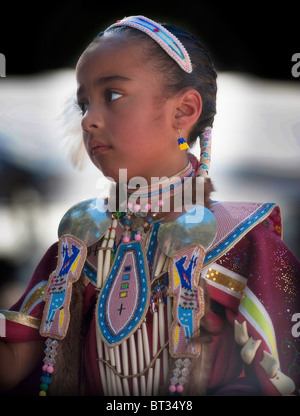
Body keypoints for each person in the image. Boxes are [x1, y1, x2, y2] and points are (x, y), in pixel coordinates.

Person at [0, 15, 299, 397]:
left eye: (112, 95)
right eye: (83, 105)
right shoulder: (76, 247)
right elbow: (14, 364)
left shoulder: (243, 243)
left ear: (184, 111)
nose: (89, 120)